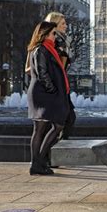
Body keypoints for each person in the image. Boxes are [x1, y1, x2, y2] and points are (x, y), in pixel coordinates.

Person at [26, 21, 70, 175]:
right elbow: (41, 73)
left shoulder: (50, 49)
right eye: (52, 33)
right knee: (44, 127)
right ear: (44, 34)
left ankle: (37, 163)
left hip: (45, 93)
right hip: (42, 93)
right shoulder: (40, 50)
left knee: (50, 127)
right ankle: (37, 163)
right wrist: (52, 89)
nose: (54, 36)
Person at [44, 11, 76, 140]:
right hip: (58, 86)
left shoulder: (63, 41)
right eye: (63, 23)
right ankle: (54, 148)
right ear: (54, 25)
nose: (66, 26)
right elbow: (60, 68)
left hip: (60, 85)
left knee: (66, 119)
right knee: (67, 119)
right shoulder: (58, 43)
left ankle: (54, 148)